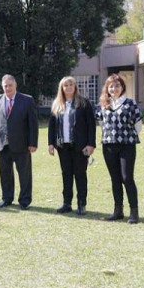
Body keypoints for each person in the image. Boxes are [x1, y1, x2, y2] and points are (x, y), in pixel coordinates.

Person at [95, 74, 143, 223]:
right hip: (109, 146)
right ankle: (118, 210)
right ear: (107, 89)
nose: (114, 89)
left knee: (127, 177)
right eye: (111, 86)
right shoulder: (103, 105)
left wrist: (124, 136)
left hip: (127, 145)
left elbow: (138, 126)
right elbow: (102, 125)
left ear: (122, 87)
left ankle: (134, 211)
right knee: (115, 178)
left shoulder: (130, 104)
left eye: (117, 86)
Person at [0, 74, 39, 210]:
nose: (8, 88)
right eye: (5, 86)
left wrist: (33, 143)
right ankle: (7, 198)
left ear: (15, 85)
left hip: (22, 144)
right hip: (2, 144)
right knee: (5, 174)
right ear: (2, 87)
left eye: (10, 85)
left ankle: (25, 200)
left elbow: (33, 124)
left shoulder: (27, 100)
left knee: (24, 174)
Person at [47, 77, 96, 215]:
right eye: (65, 85)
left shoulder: (84, 103)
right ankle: (66, 203)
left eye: (71, 85)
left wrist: (91, 144)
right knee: (66, 175)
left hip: (80, 146)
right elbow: (52, 126)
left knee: (80, 175)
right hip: (63, 146)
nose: (68, 87)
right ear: (61, 88)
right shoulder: (57, 104)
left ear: (75, 87)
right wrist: (51, 143)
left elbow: (91, 125)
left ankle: (81, 204)